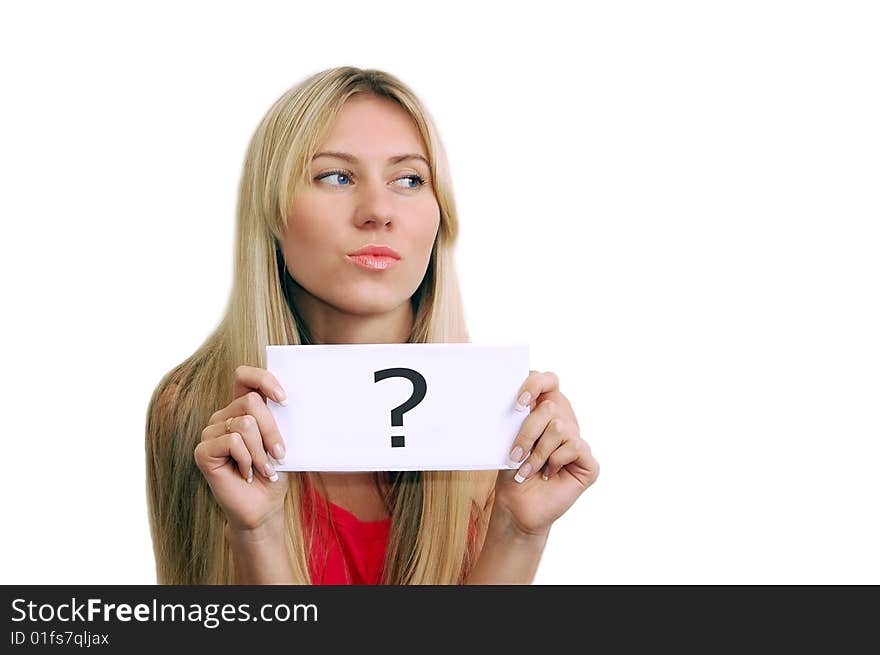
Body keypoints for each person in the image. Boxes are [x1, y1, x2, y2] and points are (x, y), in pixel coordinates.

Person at [145, 66, 599, 585]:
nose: (378, 212)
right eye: (335, 176)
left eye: (409, 179)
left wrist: (519, 531)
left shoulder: (503, 415)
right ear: (271, 211)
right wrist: (259, 534)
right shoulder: (194, 406)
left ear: (440, 215)